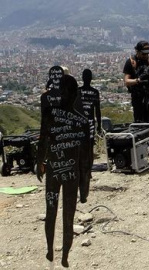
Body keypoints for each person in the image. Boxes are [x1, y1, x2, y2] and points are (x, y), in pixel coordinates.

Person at [36, 74, 89, 268]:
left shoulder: (50, 115)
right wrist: (84, 189)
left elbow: (43, 141)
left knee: (51, 212)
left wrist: (39, 162)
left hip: (54, 170)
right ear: (75, 94)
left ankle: (51, 250)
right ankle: (64, 255)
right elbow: (85, 161)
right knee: (68, 217)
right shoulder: (81, 122)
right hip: (71, 174)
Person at [76, 68, 102, 203]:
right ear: (91, 78)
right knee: (90, 148)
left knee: (80, 149)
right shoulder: (94, 92)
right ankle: (89, 170)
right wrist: (100, 126)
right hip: (90, 124)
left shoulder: (78, 92)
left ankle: (81, 170)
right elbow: (97, 111)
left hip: (79, 125)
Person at [123, 40, 149, 123]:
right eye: (144, 53)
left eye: (147, 53)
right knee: (139, 121)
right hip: (138, 96)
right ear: (137, 51)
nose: (146, 55)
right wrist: (139, 80)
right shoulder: (131, 62)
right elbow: (126, 81)